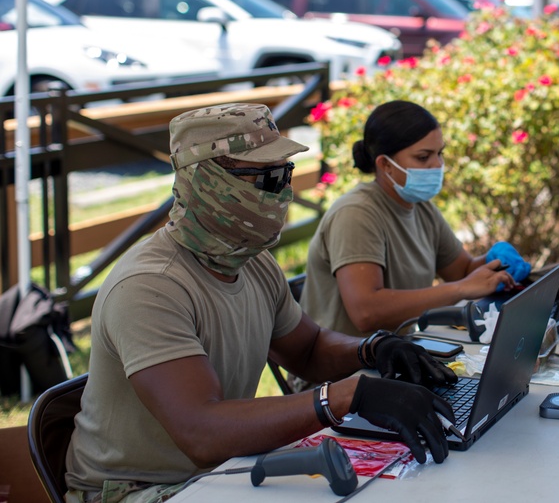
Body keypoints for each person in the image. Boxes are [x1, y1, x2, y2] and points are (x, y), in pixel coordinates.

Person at [65, 103, 459, 503]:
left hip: (220, 470)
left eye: (284, 174)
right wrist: (341, 396)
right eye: (263, 177)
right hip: (138, 491)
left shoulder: (251, 261)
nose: (282, 191)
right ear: (204, 179)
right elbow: (201, 430)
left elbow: (307, 349)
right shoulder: (151, 286)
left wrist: (373, 348)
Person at [300, 100, 529, 339]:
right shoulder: (356, 214)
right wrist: (462, 288)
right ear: (385, 164)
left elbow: (460, 271)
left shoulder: (420, 208)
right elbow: (366, 312)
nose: (438, 165)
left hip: (394, 354)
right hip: (344, 368)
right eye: (423, 157)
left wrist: (493, 263)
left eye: (439, 153)